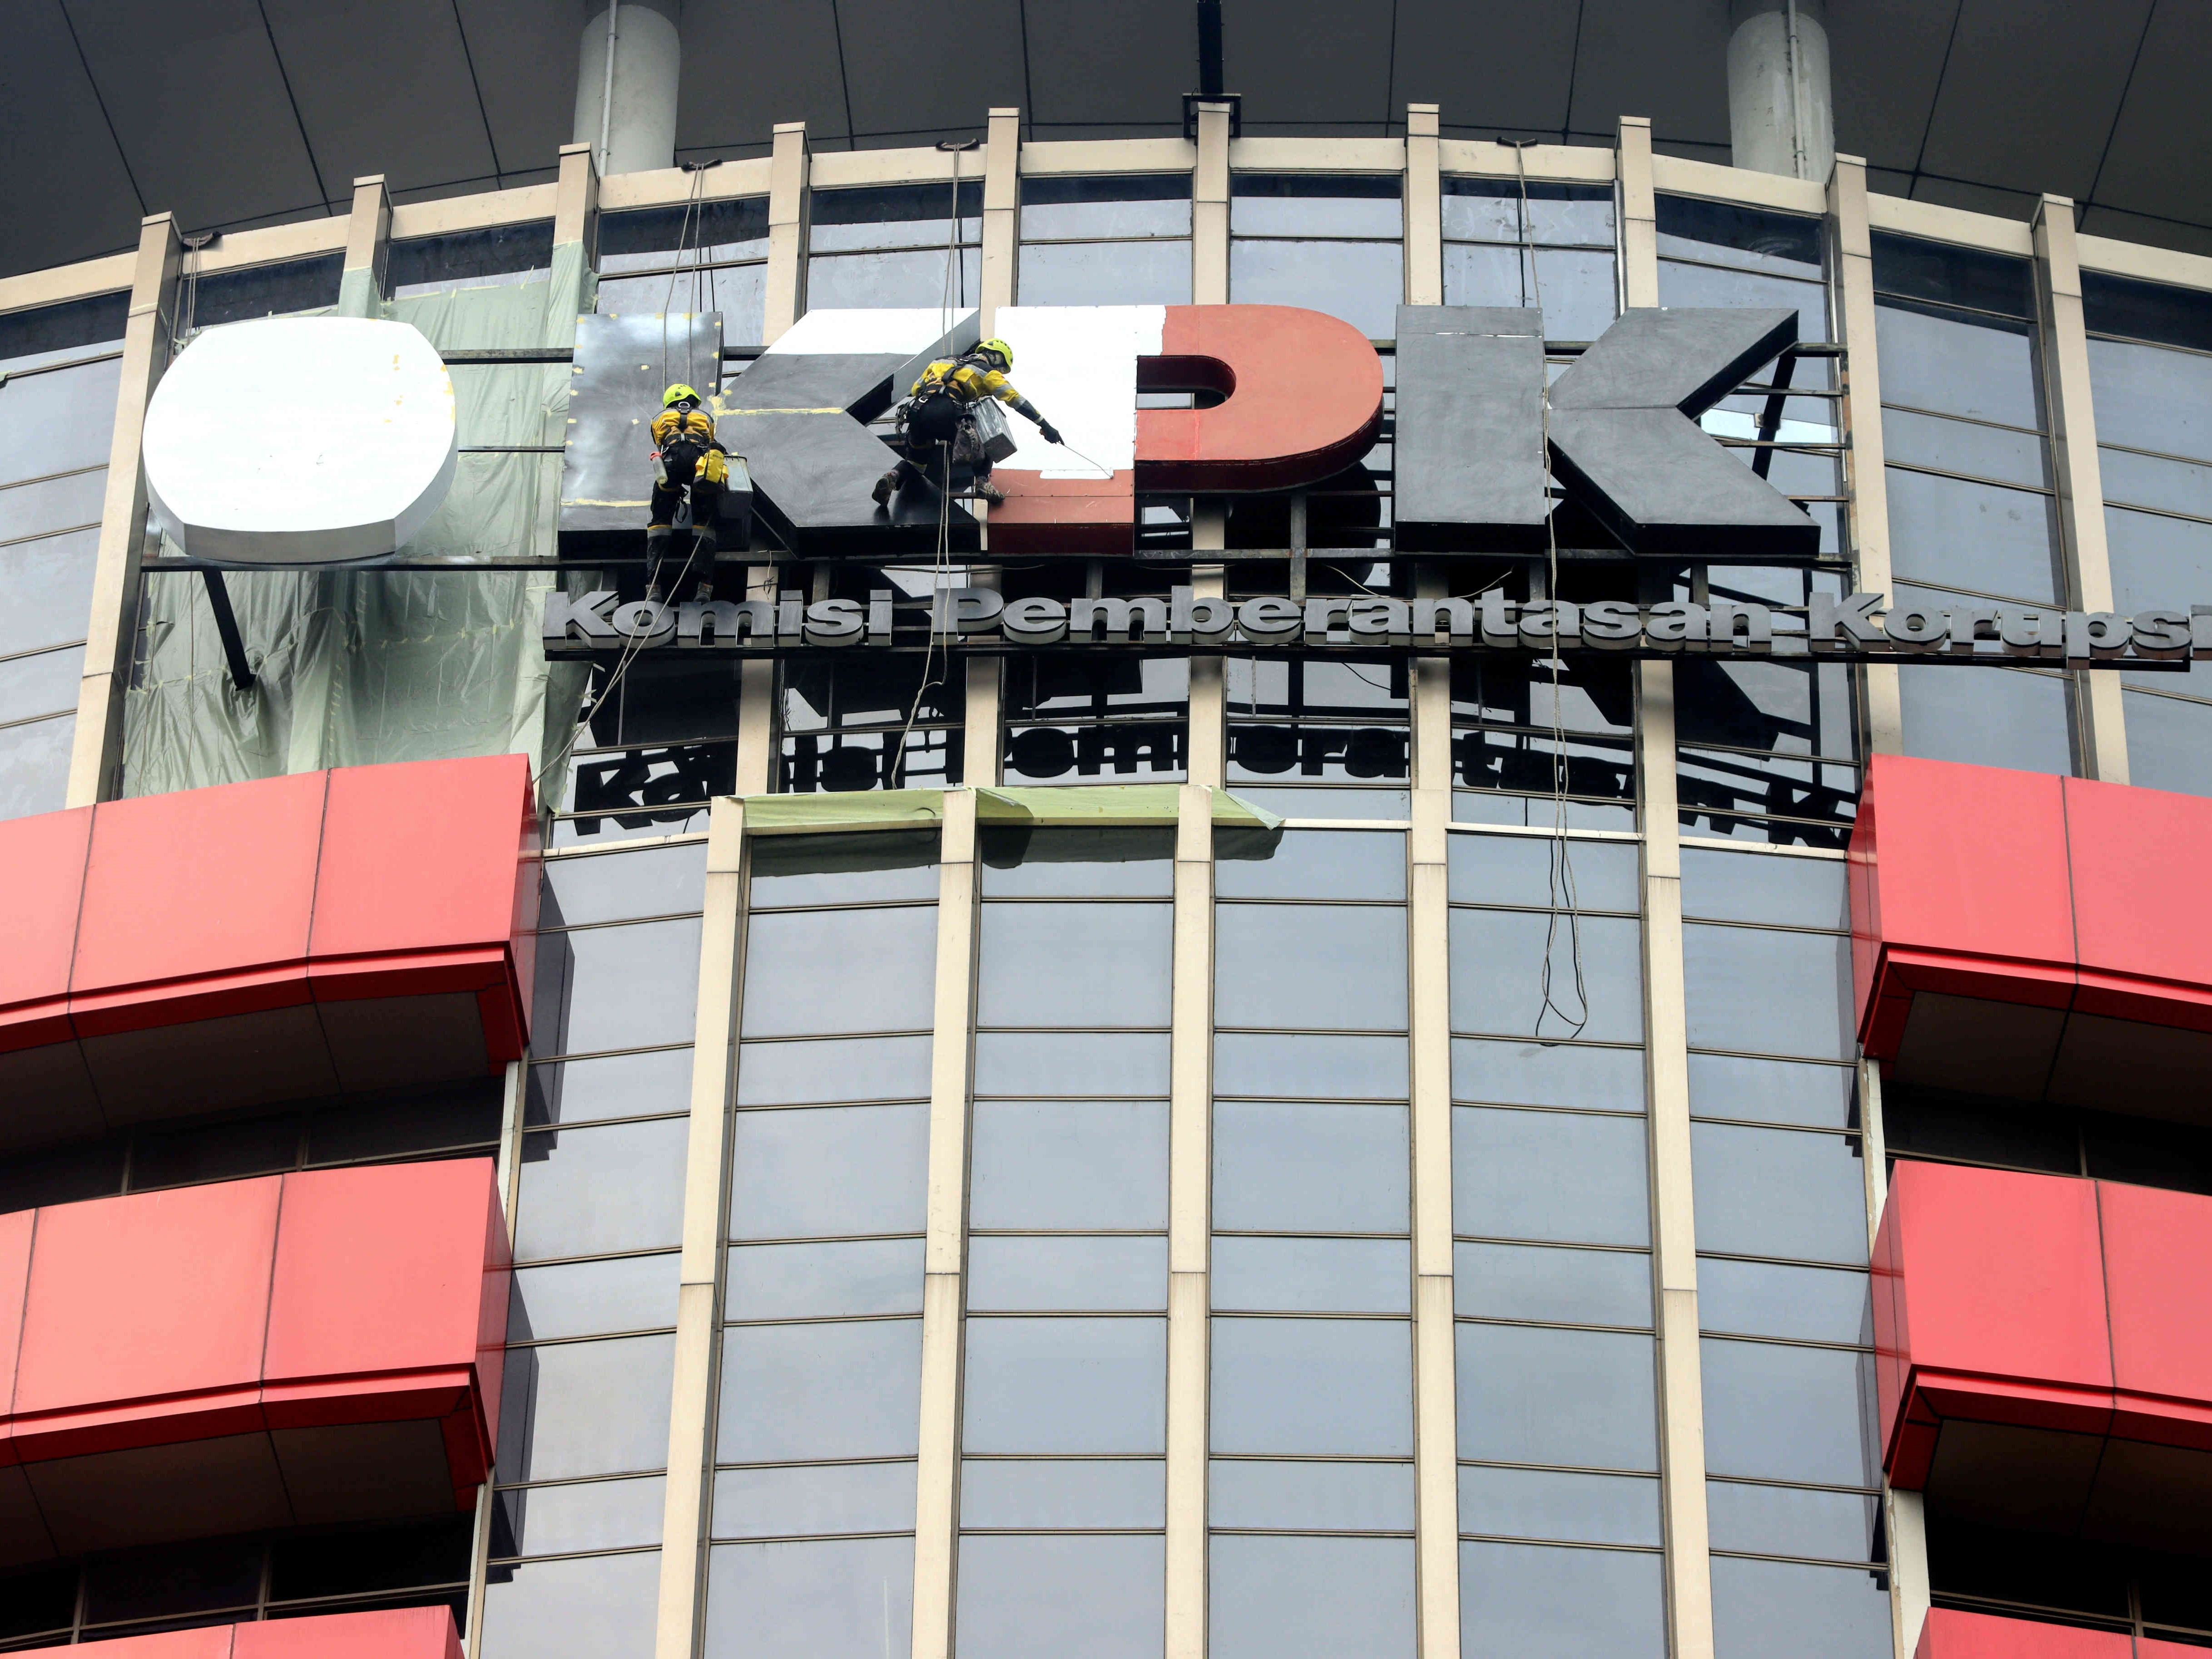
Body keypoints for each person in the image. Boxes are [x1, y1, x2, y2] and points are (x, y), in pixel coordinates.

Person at [872, 338, 1064, 507]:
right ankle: (983, 483)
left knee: (916, 463)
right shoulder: (986, 372)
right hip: (948, 412)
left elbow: (916, 389)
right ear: (996, 357)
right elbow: (1015, 399)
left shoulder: (941, 361)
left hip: (918, 412)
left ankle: (892, 477)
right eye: (1001, 366)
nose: (999, 370)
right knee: (990, 439)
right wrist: (1045, 425)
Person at [647, 383, 729, 603]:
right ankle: (704, 587)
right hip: (698, 467)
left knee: (660, 524)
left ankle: (653, 587)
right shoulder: (706, 418)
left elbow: (659, 441)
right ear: (693, 400)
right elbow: (710, 441)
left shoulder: (659, 418)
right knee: (704, 525)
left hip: (670, 467)